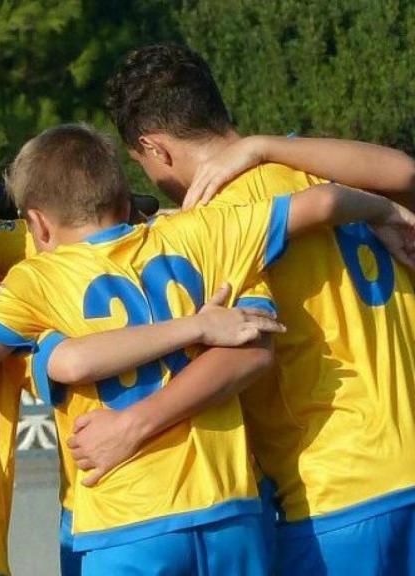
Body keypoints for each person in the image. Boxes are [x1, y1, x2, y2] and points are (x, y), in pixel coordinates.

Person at [0, 123, 415, 575]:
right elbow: (326, 202)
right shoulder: (199, 233)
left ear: (36, 225)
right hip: (230, 507)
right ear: (126, 202)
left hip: (125, 519)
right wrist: (382, 208)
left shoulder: (35, 279)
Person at [103, 43, 415, 575]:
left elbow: (247, 353)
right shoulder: (318, 163)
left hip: (340, 489)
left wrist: (132, 425)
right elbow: (404, 171)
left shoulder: (220, 220)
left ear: (154, 148)